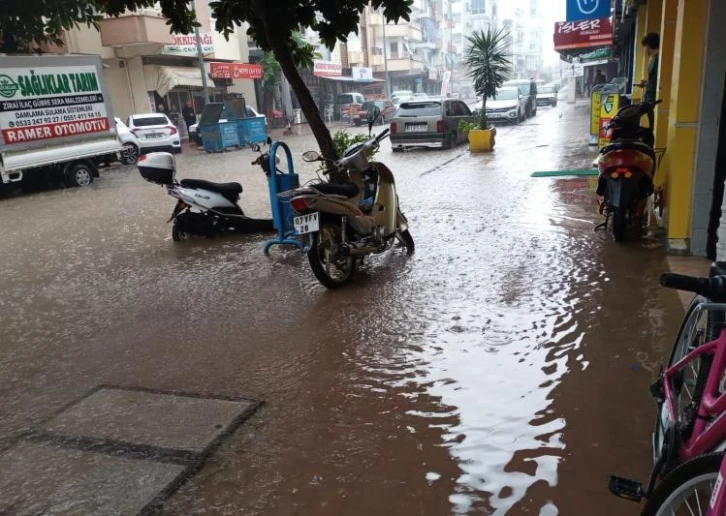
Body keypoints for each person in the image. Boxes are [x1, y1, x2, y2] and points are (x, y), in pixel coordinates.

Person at [637, 32, 660, 128]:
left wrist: (647, 83)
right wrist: (646, 83)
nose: (644, 49)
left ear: (648, 46)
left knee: (653, 124)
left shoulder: (659, 58)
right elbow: (654, 78)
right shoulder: (653, 58)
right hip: (650, 96)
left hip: (653, 97)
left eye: (644, 46)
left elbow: (659, 79)